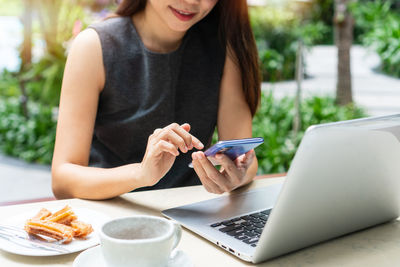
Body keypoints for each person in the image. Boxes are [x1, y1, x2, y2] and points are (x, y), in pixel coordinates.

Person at [51, 0, 261, 200]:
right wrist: (141, 174)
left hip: (190, 214)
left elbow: (245, 158)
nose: (191, 2)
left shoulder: (224, 49)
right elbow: (62, 179)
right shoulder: (94, 45)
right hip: (111, 215)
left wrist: (237, 175)